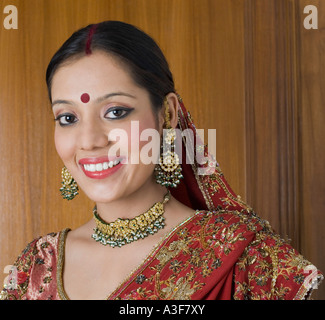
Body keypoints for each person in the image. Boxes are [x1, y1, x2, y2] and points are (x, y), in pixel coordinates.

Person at [0, 21, 322, 300]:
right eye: (68, 117)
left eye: (115, 112)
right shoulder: (37, 267)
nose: (89, 141)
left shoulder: (244, 259)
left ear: (167, 113)